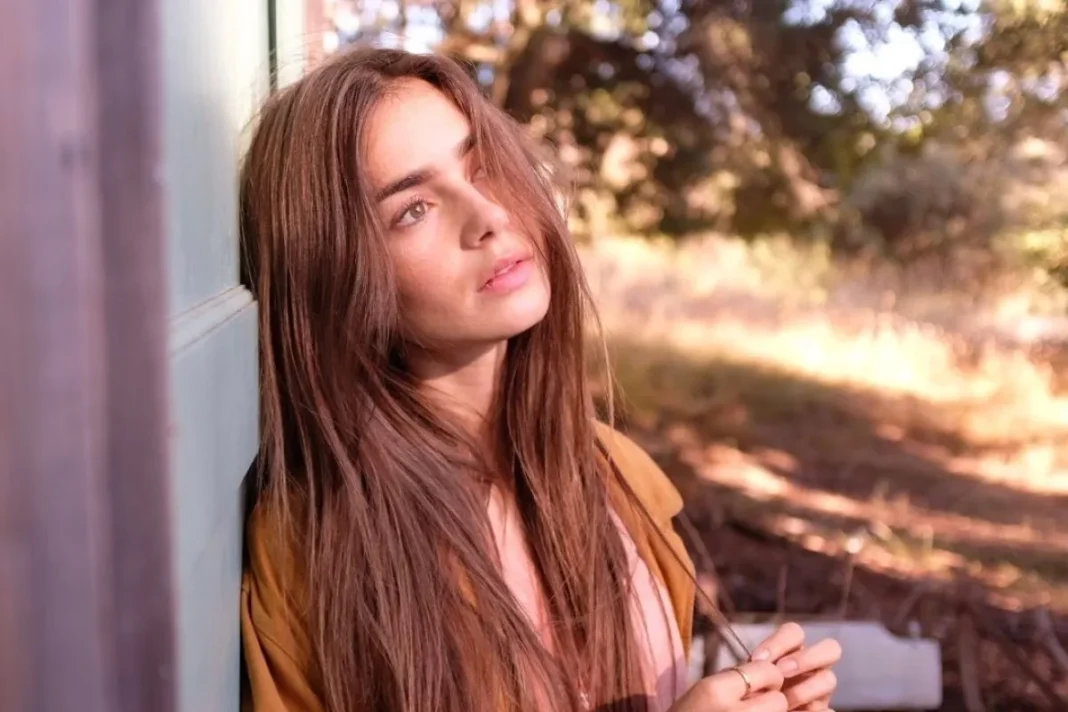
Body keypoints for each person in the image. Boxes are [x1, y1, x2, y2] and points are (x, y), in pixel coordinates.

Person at [238, 47, 841, 712]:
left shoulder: (621, 477)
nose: (488, 215)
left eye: (483, 167)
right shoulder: (311, 556)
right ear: (336, 276)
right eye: (414, 208)